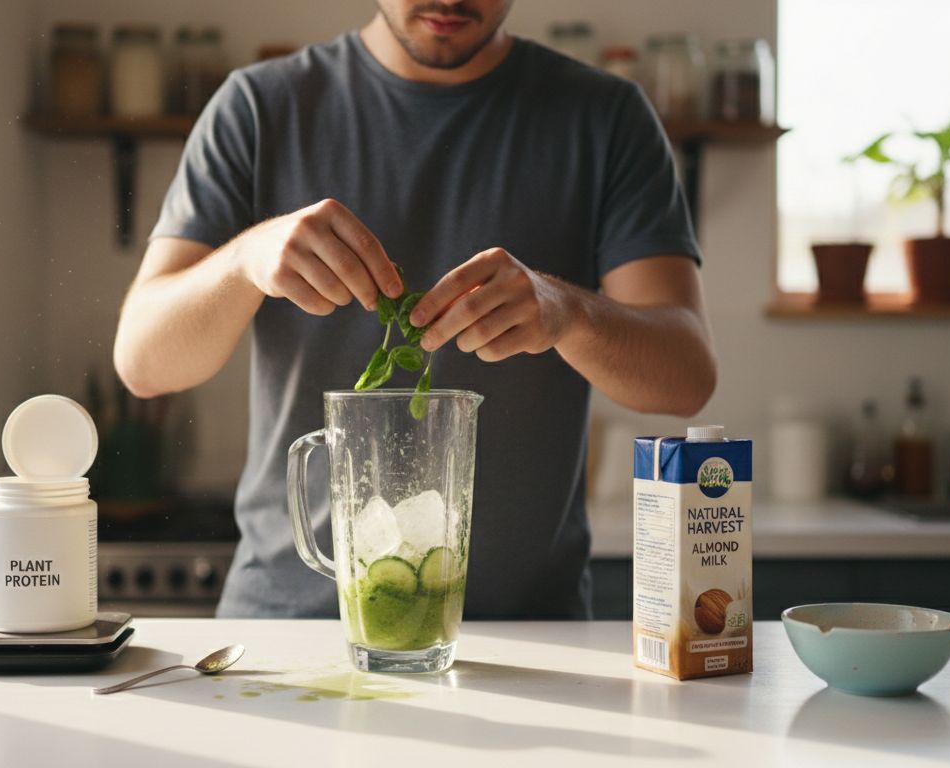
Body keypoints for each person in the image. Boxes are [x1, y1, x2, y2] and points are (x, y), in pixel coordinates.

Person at [113, 0, 717, 619]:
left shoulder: (606, 117)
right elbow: (143, 362)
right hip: (289, 631)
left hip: (532, 641)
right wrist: (244, 262)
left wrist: (567, 312)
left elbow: (687, 378)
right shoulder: (259, 109)